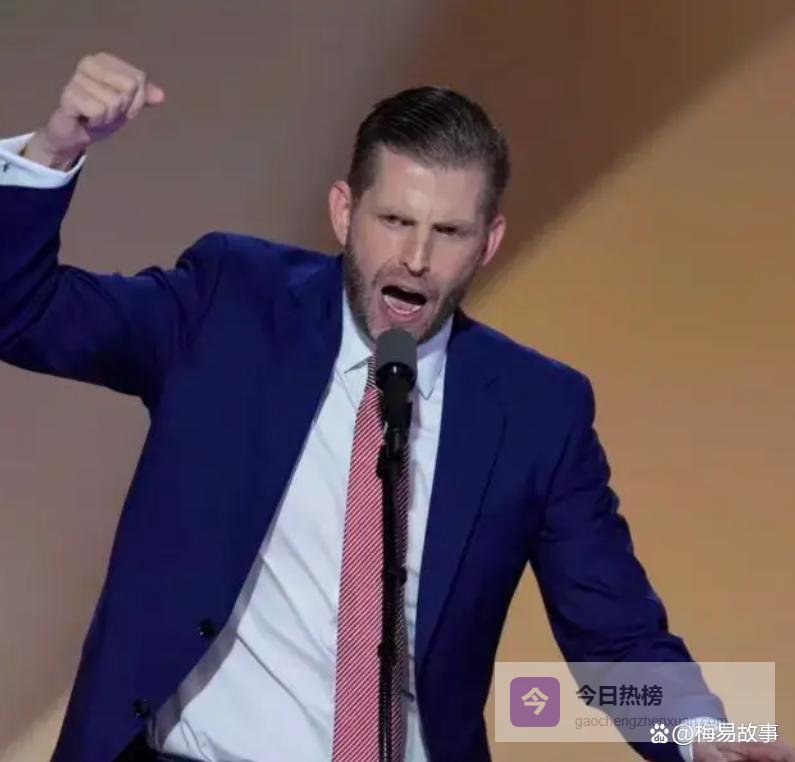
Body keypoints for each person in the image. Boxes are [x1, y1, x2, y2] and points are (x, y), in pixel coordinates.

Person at [0, 52, 790, 762]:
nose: (414, 258)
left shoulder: (536, 412)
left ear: (488, 242)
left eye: (448, 232)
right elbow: (21, 312)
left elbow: (613, 635)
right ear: (344, 212)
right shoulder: (230, 307)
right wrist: (54, 151)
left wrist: (698, 731)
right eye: (394, 221)